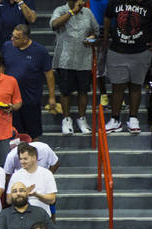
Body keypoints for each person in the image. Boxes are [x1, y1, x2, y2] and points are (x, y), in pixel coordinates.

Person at [50, 0, 98, 135]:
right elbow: (54, 24)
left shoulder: (88, 12)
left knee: (83, 91)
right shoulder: (60, 10)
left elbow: (96, 32)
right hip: (65, 59)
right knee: (65, 92)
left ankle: (82, 119)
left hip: (84, 58)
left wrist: (92, 38)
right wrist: (72, 12)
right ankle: (66, 119)